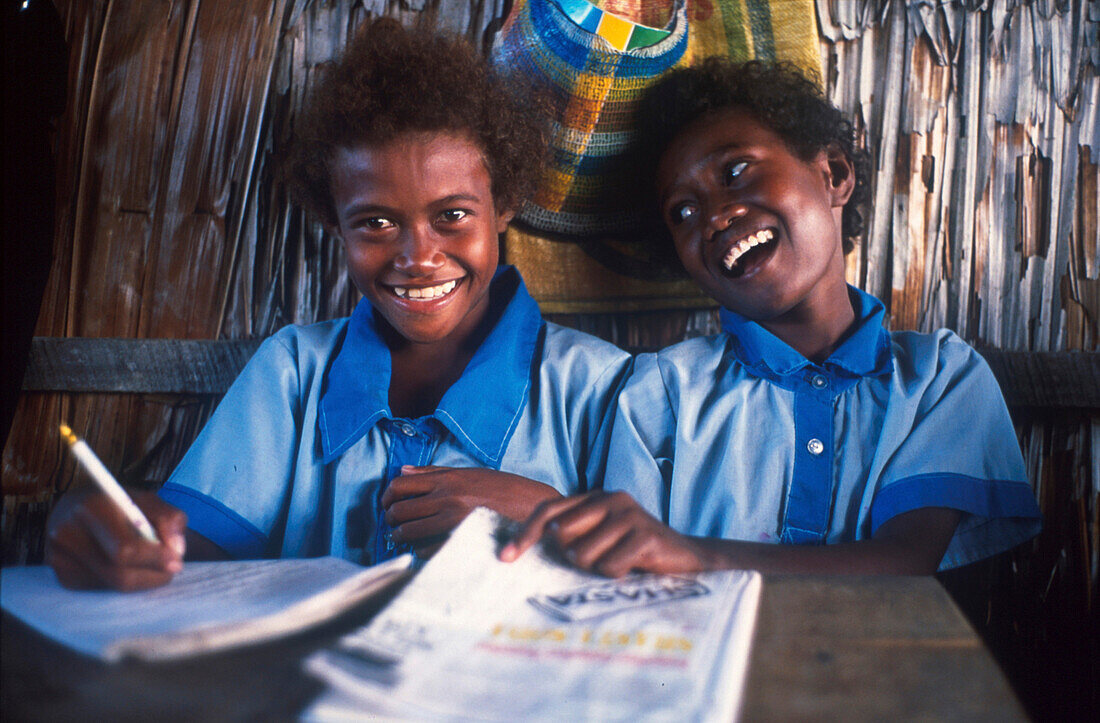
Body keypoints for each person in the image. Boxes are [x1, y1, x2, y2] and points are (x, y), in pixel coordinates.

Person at [45, 18, 631, 591]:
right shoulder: (294, 372)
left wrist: (550, 514)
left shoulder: (597, 388)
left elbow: (662, 585)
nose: (418, 257)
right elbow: (181, 559)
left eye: (452, 215)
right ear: (334, 223)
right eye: (376, 223)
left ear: (503, 205)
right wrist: (90, 521)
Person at [503, 59, 1041, 576]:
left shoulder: (939, 379)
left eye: (736, 172)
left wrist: (695, 554)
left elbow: (905, 564)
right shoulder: (661, 393)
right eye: (682, 212)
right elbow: (634, 573)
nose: (714, 216)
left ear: (833, 173)